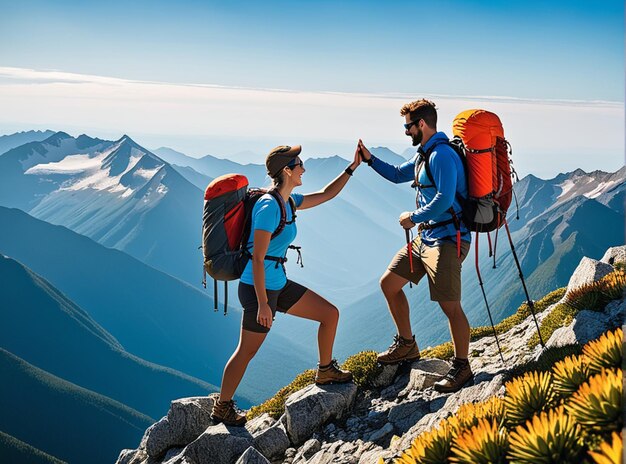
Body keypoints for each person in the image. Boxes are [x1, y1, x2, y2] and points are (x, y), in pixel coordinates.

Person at [211, 145, 360, 426]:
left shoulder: (288, 201)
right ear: (288, 171)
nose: (304, 168)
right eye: (299, 164)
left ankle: (325, 370)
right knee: (246, 351)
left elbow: (326, 194)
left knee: (329, 314)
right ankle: (222, 407)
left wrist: (352, 167)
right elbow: (256, 258)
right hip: (259, 290)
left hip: (277, 283)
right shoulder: (269, 207)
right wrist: (264, 304)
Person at [358, 99, 474, 394]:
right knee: (389, 283)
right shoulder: (425, 154)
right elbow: (398, 174)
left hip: (448, 240)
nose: (405, 131)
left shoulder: (442, 156)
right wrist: (370, 160)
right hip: (427, 237)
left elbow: (445, 199)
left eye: (407, 126)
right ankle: (407, 345)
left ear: (421, 124)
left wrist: (413, 217)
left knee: (450, 306)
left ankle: (462, 367)